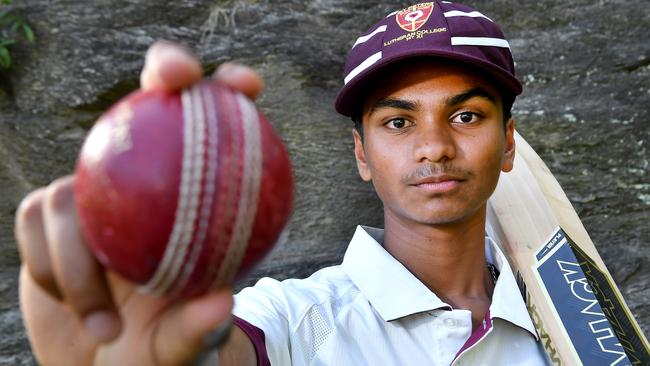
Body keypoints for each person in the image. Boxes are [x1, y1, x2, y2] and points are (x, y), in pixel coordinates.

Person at [15, 1, 550, 365]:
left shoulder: (568, 316)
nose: (433, 146)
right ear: (362, 154)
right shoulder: (292, 319)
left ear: (508, 143)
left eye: (465, 117)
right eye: (398, 122)